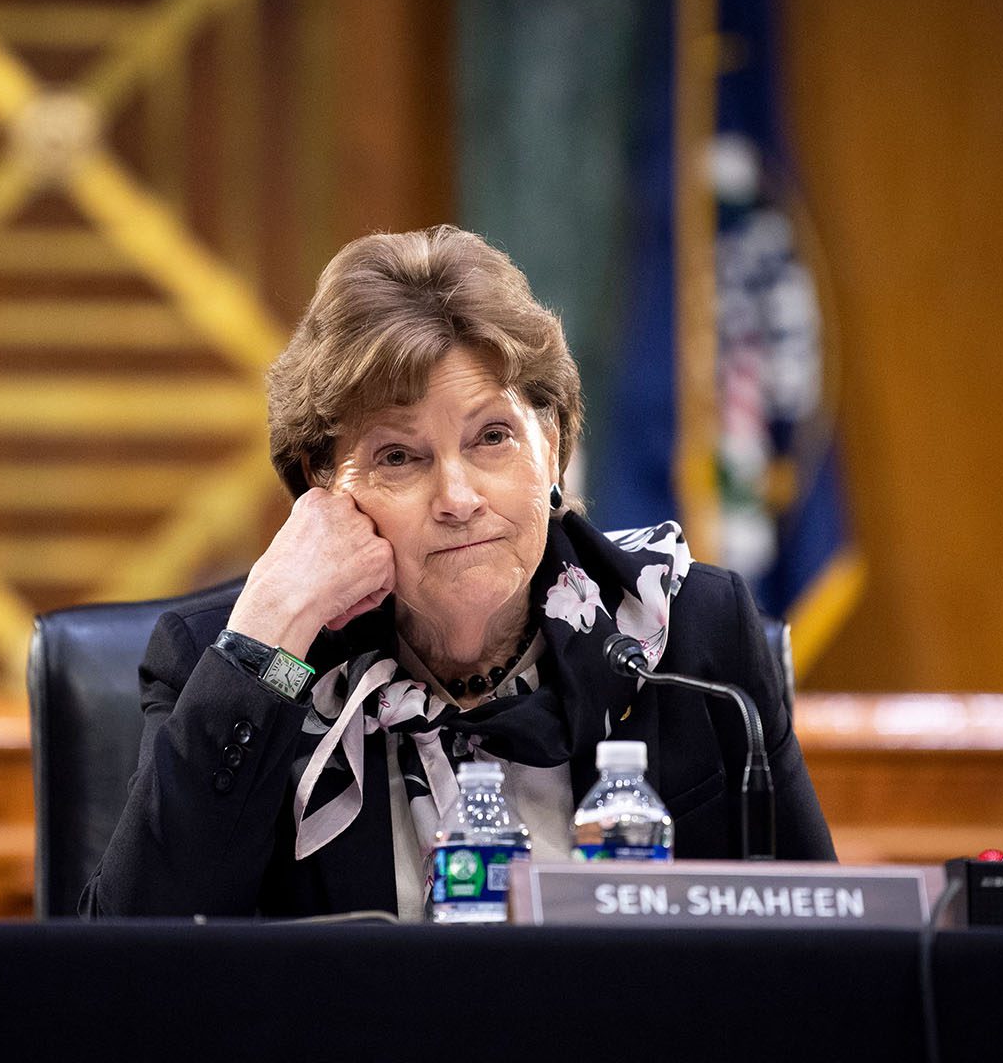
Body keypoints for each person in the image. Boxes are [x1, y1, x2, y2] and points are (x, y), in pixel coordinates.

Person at [83, 226, 834, 918]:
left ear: (555, 443)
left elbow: (823, 957)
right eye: (398, 457)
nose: (458, 499)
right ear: (324, 487)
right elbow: (127, 975)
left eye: (492, 437)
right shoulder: (236, 663)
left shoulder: (684, 635)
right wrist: (269, 631)